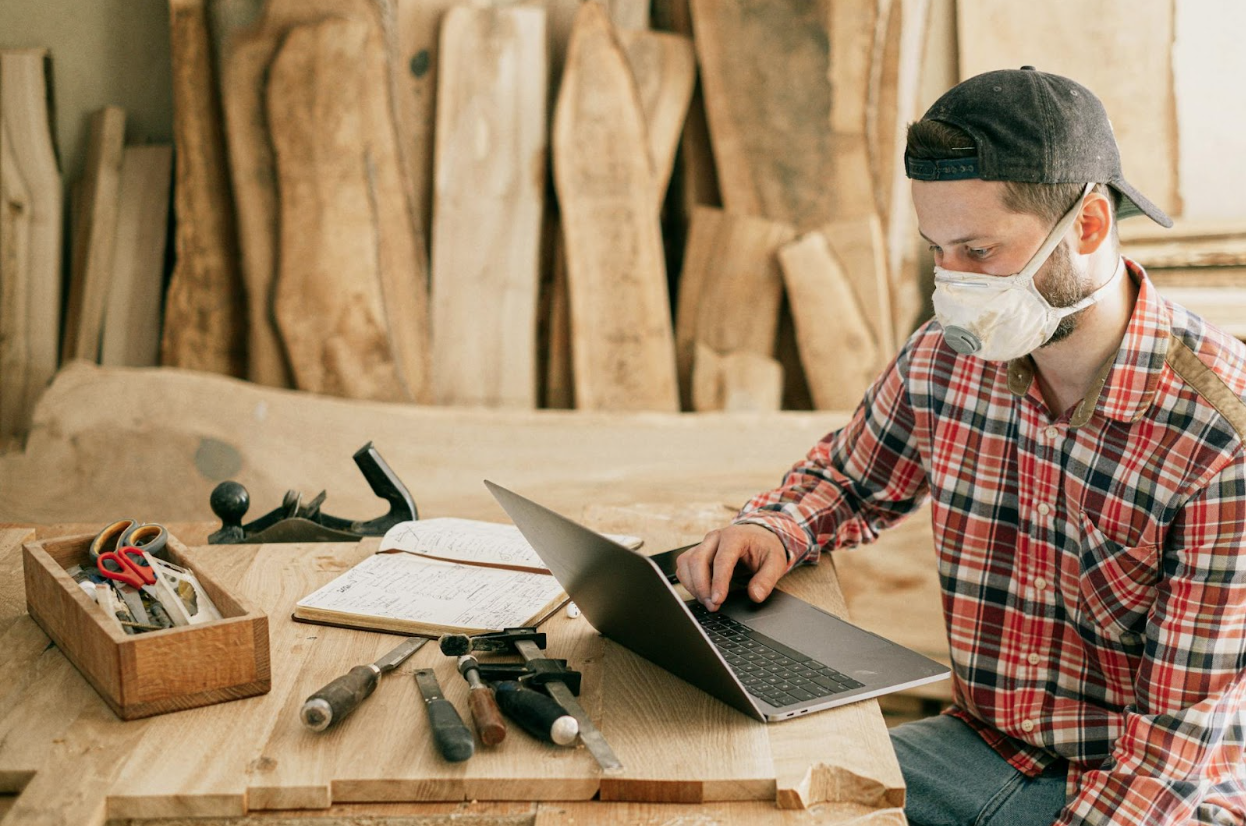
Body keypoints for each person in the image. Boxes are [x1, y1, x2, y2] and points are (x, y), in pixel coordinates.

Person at [676, 66, 1246, 826]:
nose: (953, 284)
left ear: (1089, 226)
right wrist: (771, 527)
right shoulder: (950, 357)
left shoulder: (1219, 436)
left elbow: (1175, 745)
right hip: (980, 748)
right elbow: (849, 482)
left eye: (977, 251)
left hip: (1157, 792)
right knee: (753, 805)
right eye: (935, 249)